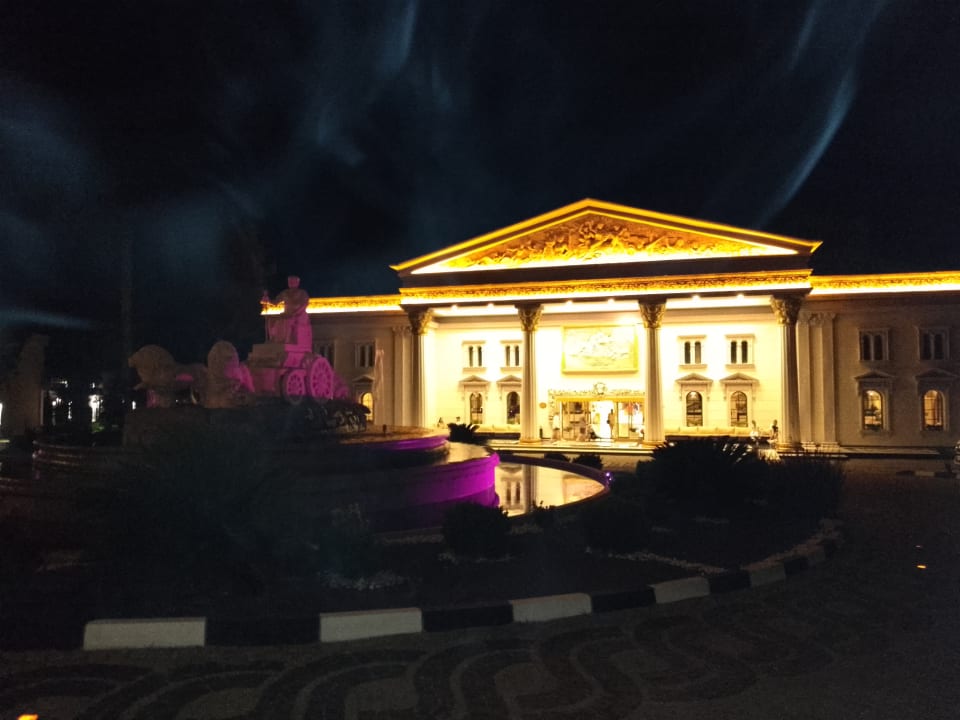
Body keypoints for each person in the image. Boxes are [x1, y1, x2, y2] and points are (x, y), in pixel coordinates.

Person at [266, 275, 311, 347]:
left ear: (297, 283)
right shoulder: (285, 293)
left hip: (298, 315)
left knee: (288, 321)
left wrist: (295, 313)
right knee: (272, 320)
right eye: (290, 282)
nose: (291, 283)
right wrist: (268, 300)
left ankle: (288, 340)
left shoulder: (302, 293)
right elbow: (276, 302)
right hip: (286, 314)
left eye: (293, 282)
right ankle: (276, 340)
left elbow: (304, 305)